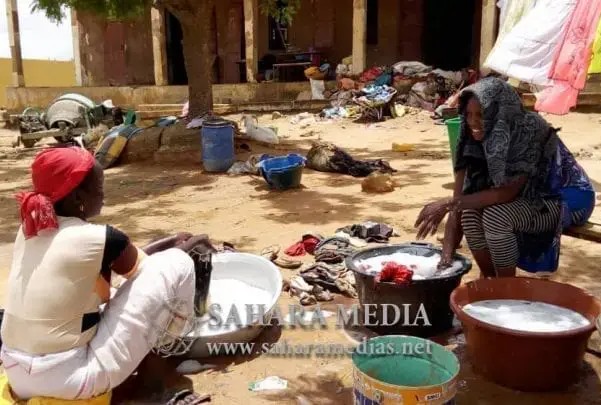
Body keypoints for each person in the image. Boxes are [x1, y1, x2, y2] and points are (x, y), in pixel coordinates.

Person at [0, 147, 210, 402]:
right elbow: (143, 269)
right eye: (98, 187)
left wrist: (170, 240)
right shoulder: (99, 238)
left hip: (17, 375)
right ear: (79, 196)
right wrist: (189, 245)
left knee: (110, 291)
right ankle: (151, 381)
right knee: (177, 264)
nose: (103, 196)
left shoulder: (29, 229)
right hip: (70, 380)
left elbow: (121, 258)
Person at [415, 77, 595, 278]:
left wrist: (446, 204)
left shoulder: (529, 130)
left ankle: (506, 288)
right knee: (470, 215)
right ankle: (491, 280)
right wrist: (445, 261)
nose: (473, 122)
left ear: (498, 113)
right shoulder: (469, 137)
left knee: (496, 216)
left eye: (481, 115)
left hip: (563, 199)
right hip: (518, 201)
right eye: (468, 115)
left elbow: (506, 193)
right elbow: (460, 201)